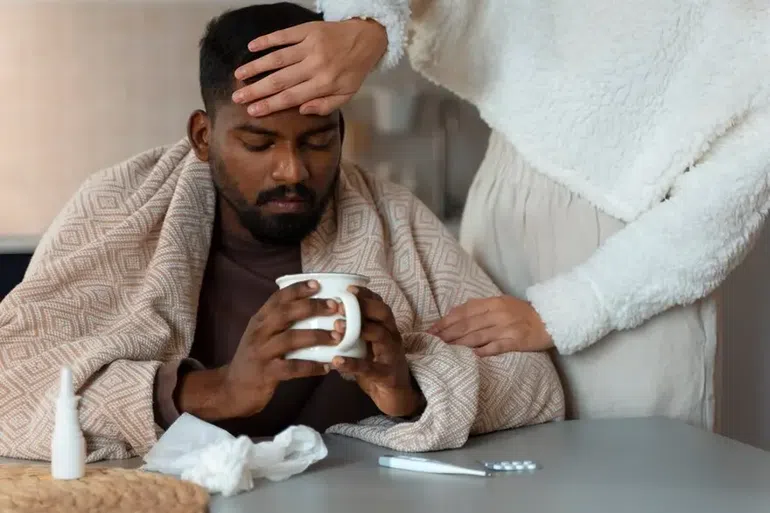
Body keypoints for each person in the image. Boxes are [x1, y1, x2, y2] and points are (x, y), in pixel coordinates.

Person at [0, 3, 563, 462]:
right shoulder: (119, 208)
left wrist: (408, 389)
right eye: (258, 143)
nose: (292, 171)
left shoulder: (393, 221)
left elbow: (535, 388)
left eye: (318, 141)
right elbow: (12, 383)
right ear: (203, 137)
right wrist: (215, 392)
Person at [231, 0, 770, 429]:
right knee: (489, 459)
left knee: (627, 485)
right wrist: (369, 19)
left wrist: (561, 313)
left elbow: (715, 220)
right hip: (502, 204)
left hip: (629, 277)